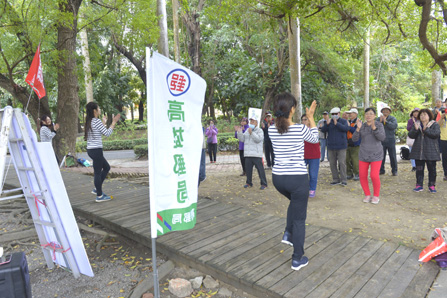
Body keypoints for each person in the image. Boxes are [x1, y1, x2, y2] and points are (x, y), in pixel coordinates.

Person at [268, 92, 319, 271]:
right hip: (297, 179)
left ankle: (288, 233)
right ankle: (297, 258)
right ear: (292, 109)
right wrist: (311, 117)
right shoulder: (299, 128)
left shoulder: (271, 129)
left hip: (278, 179)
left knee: (295, 204)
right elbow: (315, 138)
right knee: (300, 218)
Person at [84, 102, 121, 202]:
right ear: (94, 111)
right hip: (96, 150)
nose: (100, 109)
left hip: (91, 150)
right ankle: (99, 196)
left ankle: (97, 188)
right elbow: (107, 133)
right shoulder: (96, 121)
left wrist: (104, 123)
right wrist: (113, 122)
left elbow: (98, 131)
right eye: (98, 108)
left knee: (106, 167)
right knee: (97, 172)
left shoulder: (90, 121)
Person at [352, 108, 386, 204]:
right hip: (363, 154)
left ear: (374, 116)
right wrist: (357, 129)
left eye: (371, 114)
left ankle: (376, 196)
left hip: (376, 154)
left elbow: (382, 138)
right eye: (367, 114)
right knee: (362, 176)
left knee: (374, 175)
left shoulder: (379, 125)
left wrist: (374, 129)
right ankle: (367, 194)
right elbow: (354, 139)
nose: (368, 115)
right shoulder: (361, 126)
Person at [408, 109, 441, 193]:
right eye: (421, 115)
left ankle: (431, 185)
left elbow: (436, 134)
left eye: (425, 114)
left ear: (429, 116)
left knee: (432, 169)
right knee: (419, 169)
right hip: (418, 151)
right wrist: (415, 129)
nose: (422, 116)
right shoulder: (417, 124)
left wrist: (426, 129)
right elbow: (411, 135)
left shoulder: (434, 124)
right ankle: (419, 185)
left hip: (431, 151)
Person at [320, 107, 350, 186]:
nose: (334, 115)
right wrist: (327, 124)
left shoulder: (343, 121)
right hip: (331, 146)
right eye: (332, 114)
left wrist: (337, 124)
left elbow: (346, 129)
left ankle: (343, 180)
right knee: (332, 163)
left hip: (341, 147)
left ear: (339, 114)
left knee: (342, 163)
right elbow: (322, 130)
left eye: (336, 114)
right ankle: (335, 179)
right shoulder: (329, 122)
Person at [237, 116, 267, 189]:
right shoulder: (247, 130)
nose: (251, 123)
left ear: (257, 123)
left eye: (253, 121)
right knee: (248, 170)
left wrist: (252, 133)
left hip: (256, 154)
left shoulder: (259, 130)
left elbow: (258, 139)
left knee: (260, 170)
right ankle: (248, 182)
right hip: (248, 154)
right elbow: (242, 139)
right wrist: (239, 132)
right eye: (250, 121)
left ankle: (264, 183)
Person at [301, 114, 320, 198]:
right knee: (302, 174)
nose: (303, 121)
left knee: (313, 174)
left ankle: (312, 189)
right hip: (303, 156)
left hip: (314, 156)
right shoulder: (300, 131)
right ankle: (303, 189)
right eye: (302, 119)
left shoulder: (314, 130)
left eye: (306, 119)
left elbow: (316, 140)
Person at [379, 105, 398, 176]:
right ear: (381, 112)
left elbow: (394, 126)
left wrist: (386, 122)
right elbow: (375, 128)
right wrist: (380, 122)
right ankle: (381, 170)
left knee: (392, 156)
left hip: (390, 140)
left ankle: (394, 170)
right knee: (381, 156)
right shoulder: (379, 119)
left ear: (389, 112)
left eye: (387, 110)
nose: (385, 112)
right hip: (381, 140)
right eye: (384, 110)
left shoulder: (392, 118)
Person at [346, 108, 360, 181]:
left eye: (351, 113)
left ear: (356, 114)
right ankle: (349, 173)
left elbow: (356, 131)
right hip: (347, 143)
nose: (350, 115)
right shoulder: (348, 122)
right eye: (349, 113)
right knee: (346, 159)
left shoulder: (359, 122)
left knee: (355, 160)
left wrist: (349, 127)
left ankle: (357, 174)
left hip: (355, 144)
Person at [438, 109, 447, 181]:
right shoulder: (441, 113)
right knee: (445, 157)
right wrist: (442, 117)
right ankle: (446, 174)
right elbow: (437, 125)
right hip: (444, 139)